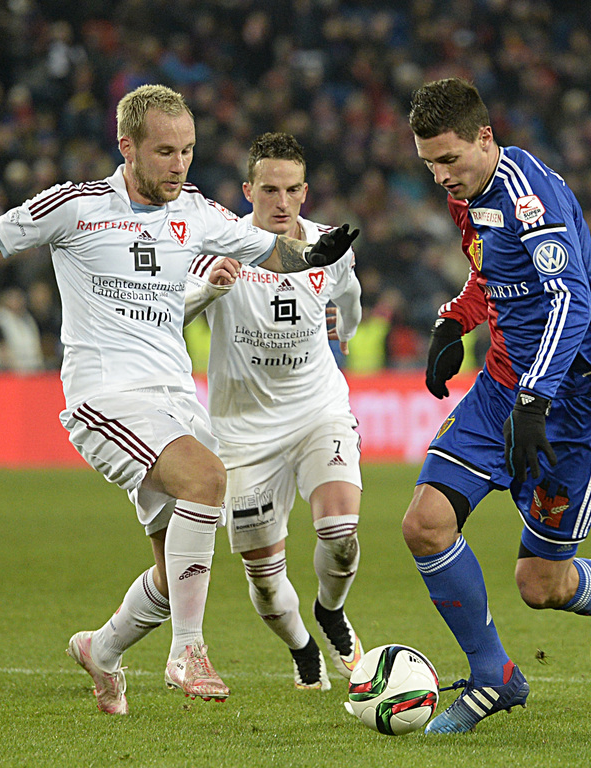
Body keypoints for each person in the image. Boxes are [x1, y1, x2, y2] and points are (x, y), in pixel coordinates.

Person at [0, 84, 358, 714]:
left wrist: (320, 254)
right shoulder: (77, 206)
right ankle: (188, 653)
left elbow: (277, 253)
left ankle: (101, 649)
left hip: (175, 401)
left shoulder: (200, 213)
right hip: (105, 397)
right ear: (126, 146)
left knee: (170, 571)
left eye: (187, 151)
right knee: (208, 479)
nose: (179, 165)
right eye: (164, 152)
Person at [401, 78, 591, 735]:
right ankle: (493, 677)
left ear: (486, 137)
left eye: (450, 160)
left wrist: (536, 400)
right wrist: (456, 322)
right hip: (505, 385)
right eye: (429, 164)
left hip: (577, 400)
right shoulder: (467, 197)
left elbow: (572, 301)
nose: (441, 177)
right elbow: (491, 272)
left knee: (540, 584)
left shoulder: (530, 199)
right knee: (424, 524)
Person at [183, 132, 364, 691]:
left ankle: (331, 614)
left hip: (318, 411)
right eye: (268, 190)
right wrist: (209, 294)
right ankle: (303, 648)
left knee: (340, 529)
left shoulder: (328, 246)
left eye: (291, 190)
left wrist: (347, 331)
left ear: (305, 192)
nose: (280, 202)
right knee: (264, 580)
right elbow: (172, 310)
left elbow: (350, 296)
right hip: (242, 435)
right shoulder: (221, 247)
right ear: (248, 191)